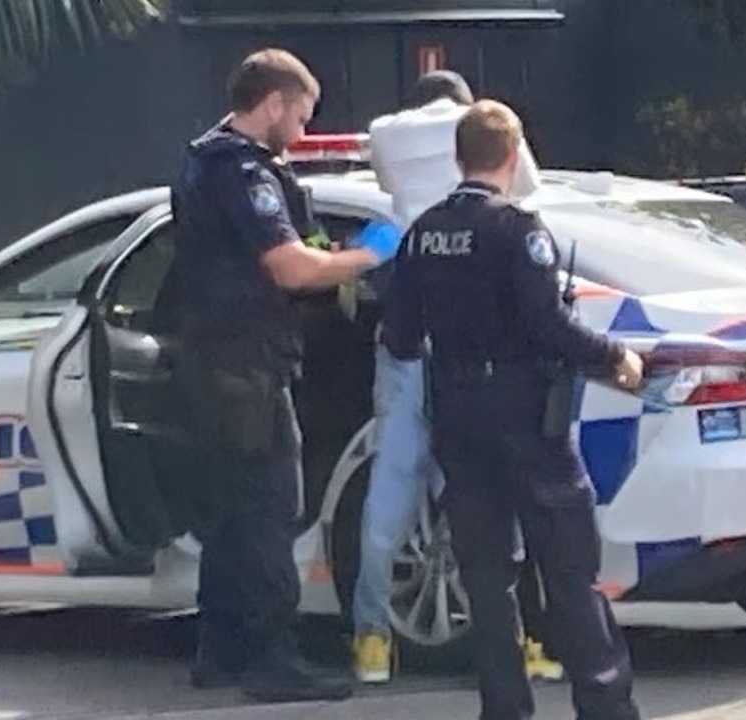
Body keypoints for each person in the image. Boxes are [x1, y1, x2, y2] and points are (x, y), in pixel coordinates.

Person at [384, 99, 645, 720]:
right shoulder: (516, 230)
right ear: (514, 154)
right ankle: (605, 706)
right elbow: (548, 324)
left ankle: (504, 709)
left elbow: (396, 336)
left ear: (458, 156)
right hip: (527, 418)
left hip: (456, 416)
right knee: (570, 571)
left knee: (487, 577)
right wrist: (615, 358)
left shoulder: (422, 232)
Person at [167, 48, 401, 703]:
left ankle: (221, 650)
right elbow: (292, 269)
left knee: (230, 513)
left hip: (211, 360)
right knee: (270, 510)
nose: (301, 130)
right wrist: (366, 255)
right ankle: (274, 659)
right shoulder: (244, 173)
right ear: (272, 103)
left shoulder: (200, 158)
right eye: (300, 115)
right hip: (248, 365)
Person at [352, 69, 561, 685]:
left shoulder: (385, 136)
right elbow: (524, 187)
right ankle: (518, 641)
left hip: (407, 342)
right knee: (491, 502)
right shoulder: (495, 146)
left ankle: (371, 639)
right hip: (477, 353)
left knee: (390, 491)